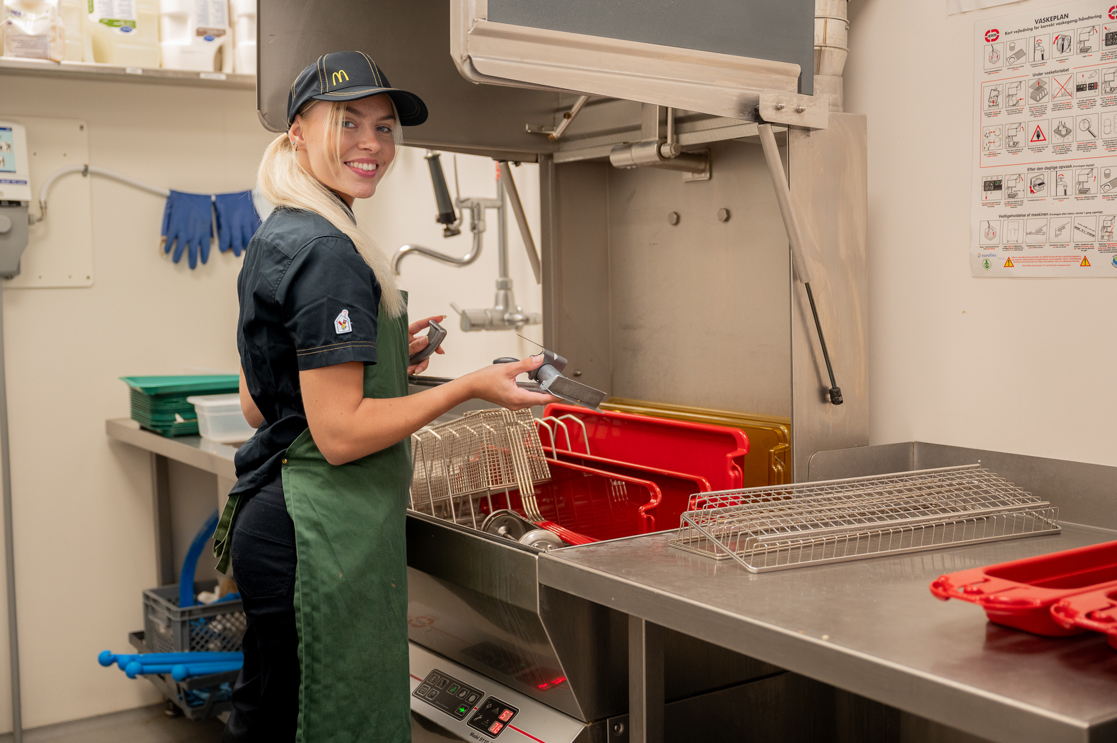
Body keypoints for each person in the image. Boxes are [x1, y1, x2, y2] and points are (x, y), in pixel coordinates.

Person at [212, 51, 553, 742]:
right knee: (325, 719)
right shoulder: (329, 250)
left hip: (274, 520)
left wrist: (385, 357)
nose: (371, 144)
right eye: (349, 122)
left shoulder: (281, 231)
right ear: (298, 131)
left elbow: (262, 404)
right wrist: (469, 386)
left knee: (274, 713)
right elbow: (338, 434)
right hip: (316, 531)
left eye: (385, 126)